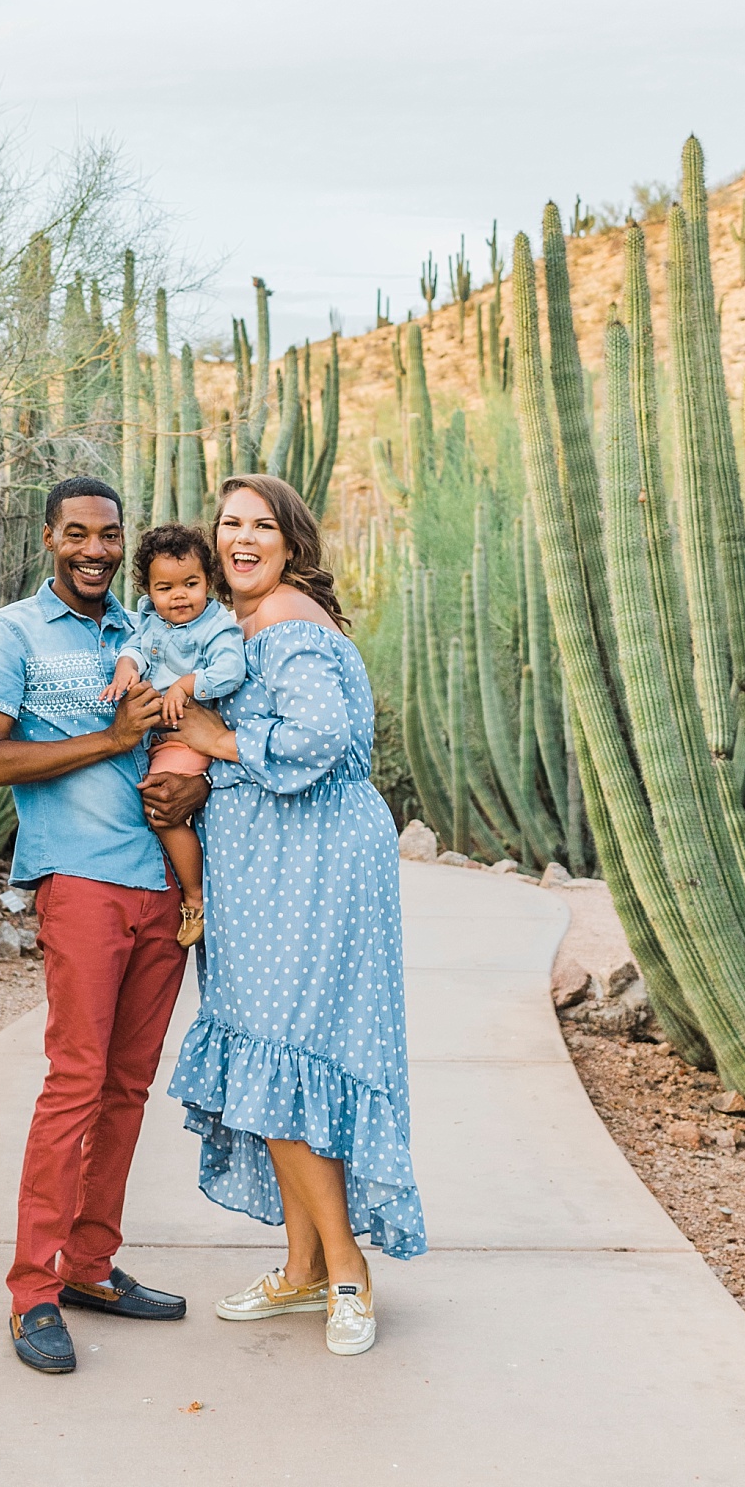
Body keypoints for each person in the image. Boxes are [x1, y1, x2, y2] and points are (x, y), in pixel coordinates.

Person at [168, 474, 426, 1358]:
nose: (242, 538)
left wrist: (219, 740)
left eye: (261, 526)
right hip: (262, 861)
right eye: (230, 524)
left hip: (308, 859)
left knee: (286, 1049)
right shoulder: (241, 623)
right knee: (267, 1048)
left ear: (291, 540)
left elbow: (317, 738)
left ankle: (347, 1270)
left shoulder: (286, 623)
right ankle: (302, 1267)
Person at [0, 476, 210, 1376]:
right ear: (49, 538)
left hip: (163, 889)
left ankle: (91, 1266)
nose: (97, 549)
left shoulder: (150, 630)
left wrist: (200, 779)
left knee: (128, 1087)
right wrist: (108, 739)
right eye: (78, 534)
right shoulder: (11, 632)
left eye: (109, 535)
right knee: (74, 1081)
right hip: (82, 882)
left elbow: (197, 732)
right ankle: (33, 1290)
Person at [102, 523, 246, 948]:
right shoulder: (150, 619)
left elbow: (230, 670)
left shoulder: (216, 626)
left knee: (159, 808)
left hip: (189, 735)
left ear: (209, 582)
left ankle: (196, 898)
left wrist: (186, 684)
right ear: (148, 590)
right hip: (160, 737)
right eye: (165, 587)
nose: (179, 596)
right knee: (154, 805)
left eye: (191, 584)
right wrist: (126, 666)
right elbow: (135, 646)